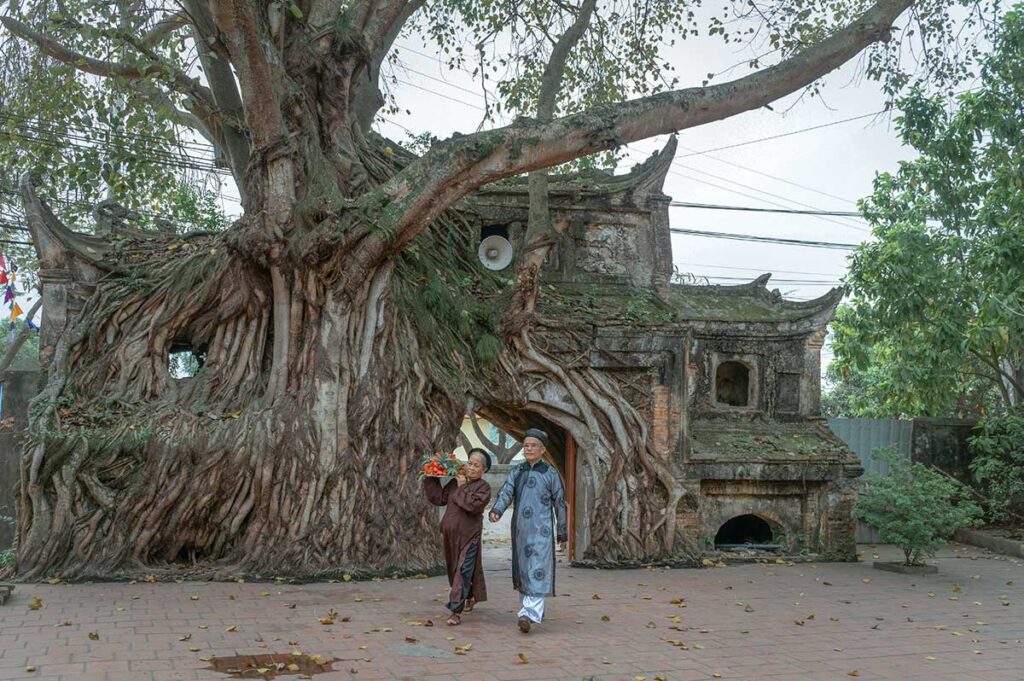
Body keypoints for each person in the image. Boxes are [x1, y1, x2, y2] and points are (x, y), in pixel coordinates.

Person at [489, 428, 567, 633]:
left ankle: (528, 614)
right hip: (520, 531)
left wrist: (562, 531)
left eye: (533, 445)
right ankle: (533, 609)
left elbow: (560, 503)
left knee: (537, 569)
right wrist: (497, 509)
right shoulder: (517, 471)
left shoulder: (550, 474)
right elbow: (506, 491)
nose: (529, 448)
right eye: (526, 445)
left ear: (543, 450)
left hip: (542, 532)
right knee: (523, 570)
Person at [422, 448, 493, 626]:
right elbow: (440, 498)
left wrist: (462, 487)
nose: (470, 467)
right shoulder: (456, 482)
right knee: (455, 569)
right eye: (469, 463)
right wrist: (431, 476)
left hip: (469, 536)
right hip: (450, 535)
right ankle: (469, 595)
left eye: (476, 465)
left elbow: (472, 506)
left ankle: (455, 610)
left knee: (463, 570)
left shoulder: (484, 488)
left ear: (483, 470)